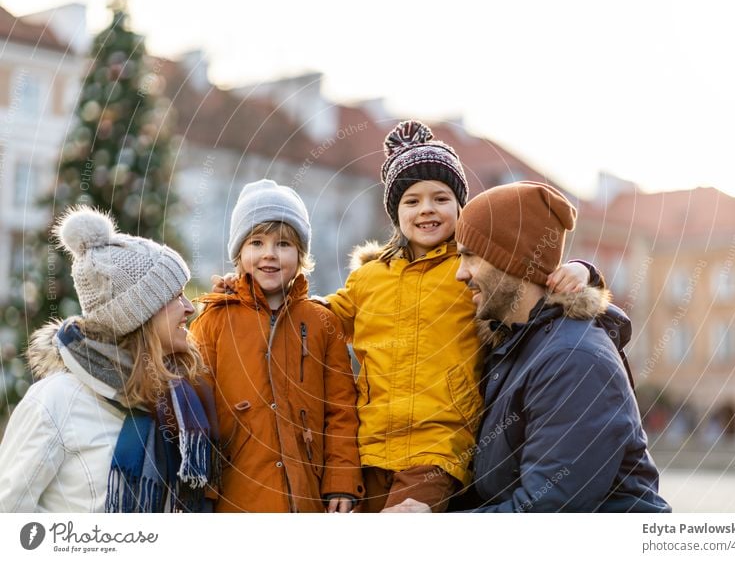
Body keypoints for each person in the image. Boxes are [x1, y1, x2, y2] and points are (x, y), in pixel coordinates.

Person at [212, 122, 596, 512]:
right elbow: (316, 316)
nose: (426, 209)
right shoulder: (369, 278)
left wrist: (582, 271)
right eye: (412, 201)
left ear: (461, 207)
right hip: (372, 446)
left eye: (440, 198)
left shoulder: (471, 272)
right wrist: (250, 291)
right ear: (396, 214)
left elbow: (530, 281)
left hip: (438, 448)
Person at [386, 181, 671, 512]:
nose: (459, 274)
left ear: (513, 261)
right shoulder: (512, 348)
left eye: (470, 257)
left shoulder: (573, 361)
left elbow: (547, 510)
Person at [0, 207, 218, 513]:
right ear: (139, 315)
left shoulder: (177, 402)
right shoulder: (56, 400)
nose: (189, 308)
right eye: (175, 296)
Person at [190, 179, 363, 512]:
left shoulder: (322, 322)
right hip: (236, 493)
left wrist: (342, 481)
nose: (269, 254)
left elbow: (341, 410)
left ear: (300, 255)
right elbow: (198, 410)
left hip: (307, 494)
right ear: (240, 253)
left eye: (283, 244)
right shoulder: (212, 321)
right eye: (256, 242)